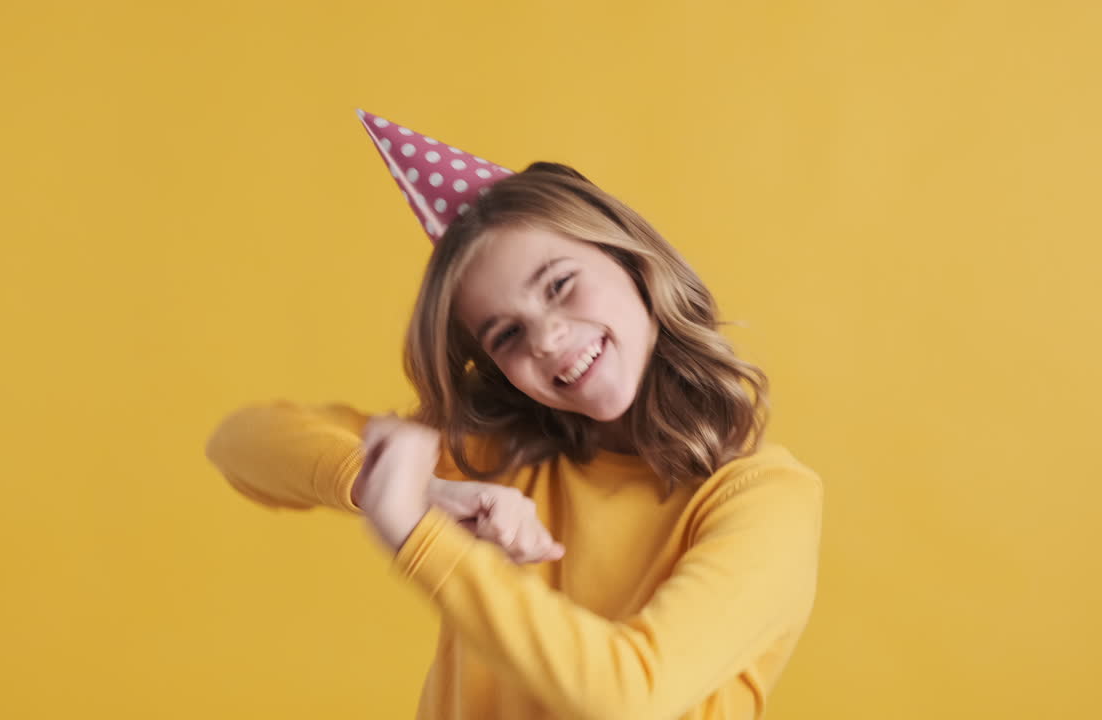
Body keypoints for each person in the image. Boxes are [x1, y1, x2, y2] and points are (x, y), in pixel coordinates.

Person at [203, 110, 825, 719]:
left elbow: (629, 694)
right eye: (506, 334)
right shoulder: (490, 457)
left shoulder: (763, 498)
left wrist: (418, 536)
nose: (547, 340)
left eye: (559, 285)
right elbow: (240, 444)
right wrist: (387, 485)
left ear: (634, 263)